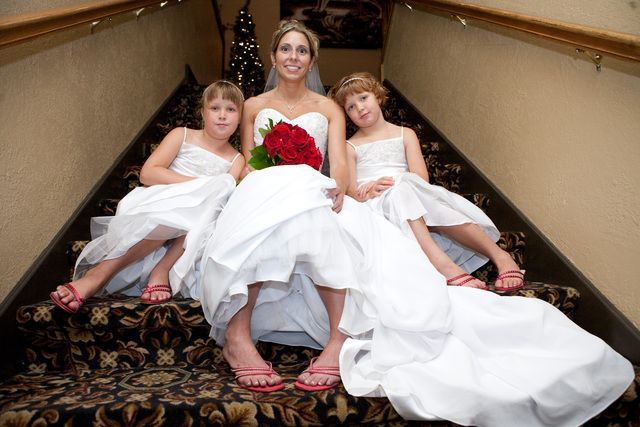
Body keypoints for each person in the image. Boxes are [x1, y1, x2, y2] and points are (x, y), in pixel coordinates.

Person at [198, 19, 633, 426]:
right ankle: (238, 338)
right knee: (261, 207)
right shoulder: (252, 105)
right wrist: (264, 182)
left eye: (302, 51)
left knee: (325, 225)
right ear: (273, 56)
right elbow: (248, 164)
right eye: (286, 49)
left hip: (316, 186)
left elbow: (340, 166)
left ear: (312, 61)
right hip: (267, 184)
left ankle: (337, 339)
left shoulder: (328, 108)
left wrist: (337, 190)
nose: (293, 57)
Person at [50, 81, 245, 313]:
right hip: (161, 200)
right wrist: (201, 188)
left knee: (209, 211)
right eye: (215, 108)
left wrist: (205, 194)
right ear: (202, 111)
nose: (223, 116)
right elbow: (148, 173)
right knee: (185, 208)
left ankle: (161, 268)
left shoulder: (236, 159)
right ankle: (99, 274)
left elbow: (222, 198)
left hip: (200, 219)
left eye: (231, 110)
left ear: (240, 117)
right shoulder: (181, 135)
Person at [328, 72, 522, 291]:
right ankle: (444, 266)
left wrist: (398, 183)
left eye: (363, 98)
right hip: (377, 207)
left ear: (377, 96)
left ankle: (501, 256)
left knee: (406, 191)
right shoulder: (350, 146)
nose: (360, 108)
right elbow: (352, 192)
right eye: (351, 107)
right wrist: (371, 189)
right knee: (400, 193)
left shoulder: (406, 134)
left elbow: (421, 178)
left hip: (413, 194)